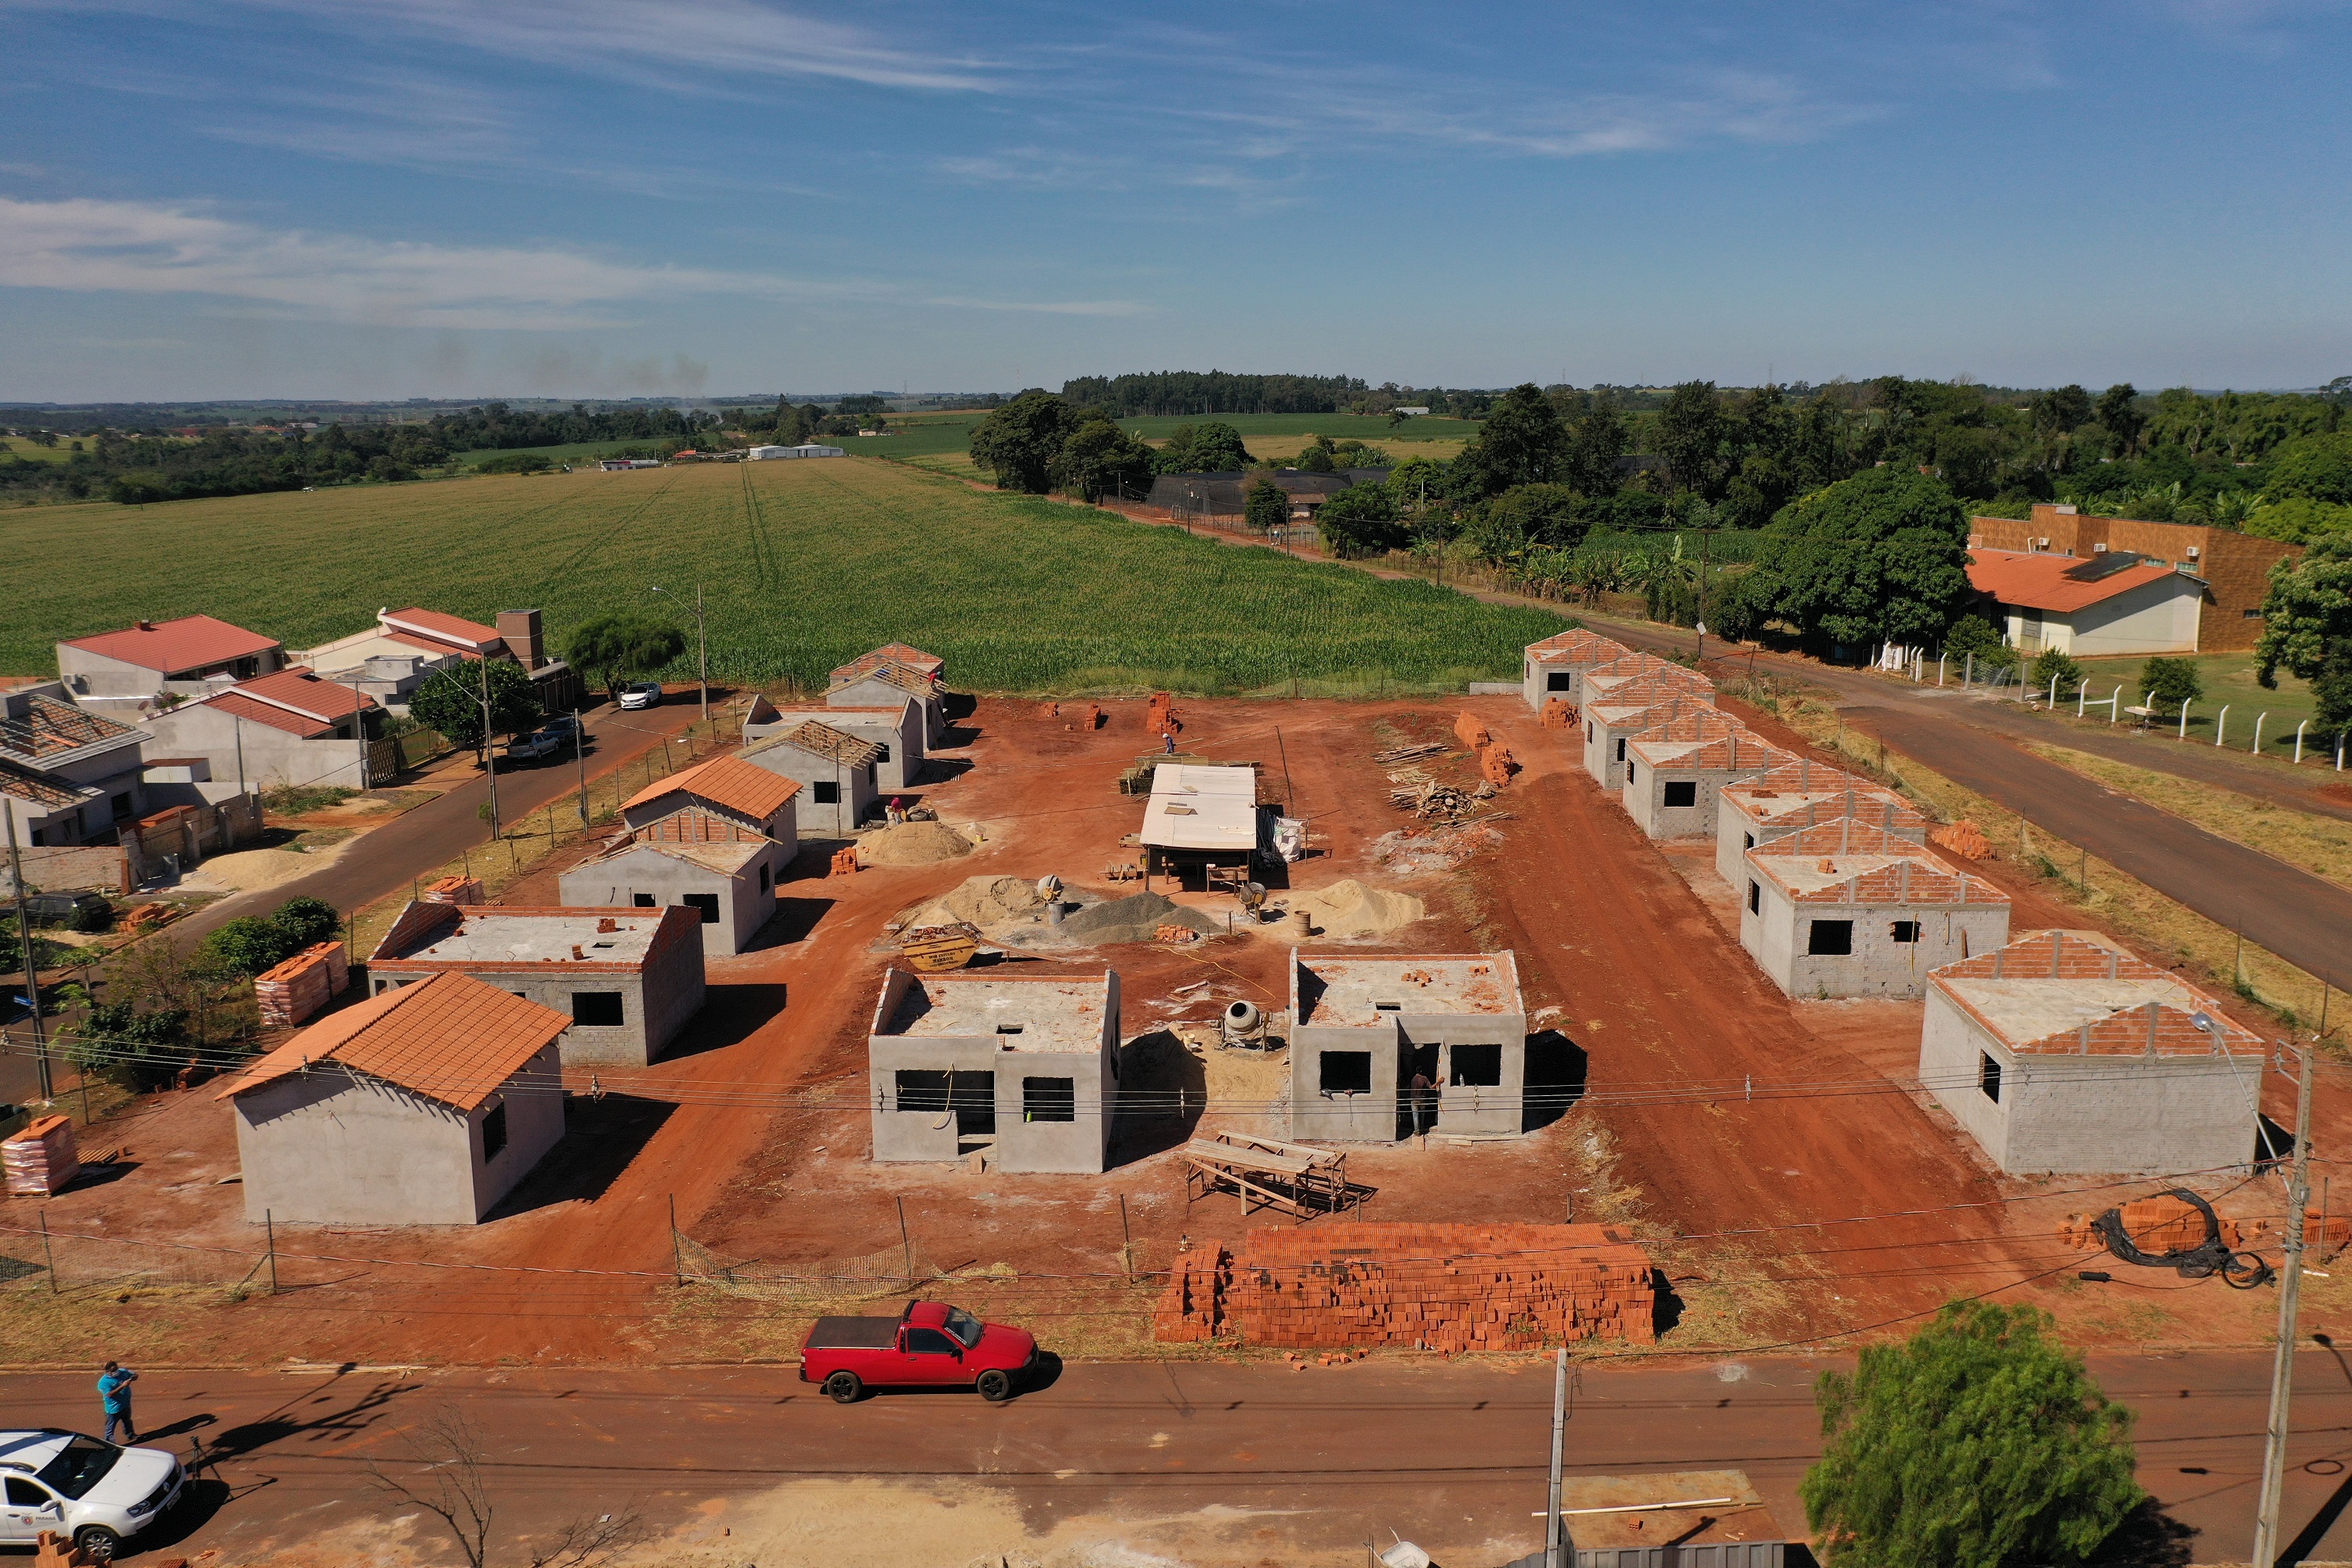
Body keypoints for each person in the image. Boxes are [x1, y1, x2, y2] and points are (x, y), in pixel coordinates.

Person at [96, 1362, 137, 1444]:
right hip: (114, 1409)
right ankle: (109, 1443)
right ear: (107, 1371)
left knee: (127, 1421)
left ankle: (130, 1434)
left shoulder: (123, 1372)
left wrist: (134, 1377)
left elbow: (135, 1375)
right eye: (113, 1371)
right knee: (110, 1427)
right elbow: (109, 1394)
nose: (116, 1372)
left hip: (125, 1405)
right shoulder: (103, 1382)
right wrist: (123, 1386)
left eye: (116, 1370)